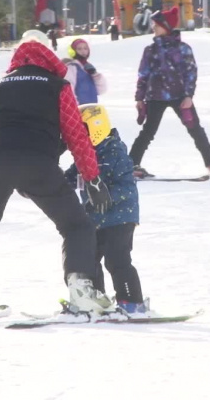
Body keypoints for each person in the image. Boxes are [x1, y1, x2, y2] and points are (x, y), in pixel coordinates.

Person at [0, 41, 114, 319]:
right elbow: (76, 135)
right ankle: (82, 293)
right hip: (37, 161)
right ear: (48, 61)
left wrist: (11, 175)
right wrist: (92, 178)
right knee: (76, 226)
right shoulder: (57, 85)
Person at [64, 104, 147, 315]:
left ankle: (132, 302)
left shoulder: (114, 151)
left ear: (96, 126)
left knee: (117, 260)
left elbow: (127, 187)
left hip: (120, 217)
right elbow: (69, 178)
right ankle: (97, 299)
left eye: (83, 130)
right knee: (89, 260)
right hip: (95, 218)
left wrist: (107, 197)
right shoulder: (85, 154)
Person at [130, 7, 210, 179]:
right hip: (155, 96)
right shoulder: (150, 50)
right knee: (148, 131)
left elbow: (191, 73)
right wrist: (139, 98)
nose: (153, 27)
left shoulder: (183, 49)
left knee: (195, 129)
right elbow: (143, 75)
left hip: (180, 96)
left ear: (167, 27)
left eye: (156, 24)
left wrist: (188, 96)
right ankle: (132, 164)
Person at [64, 39, 107, 105]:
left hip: (92, 107)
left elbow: (101, 90)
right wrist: (74, 106)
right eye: (79, 49)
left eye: (85, 48)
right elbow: (69, 88)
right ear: (73, 51)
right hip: (78, 108)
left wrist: (96, 75)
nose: (83, 51)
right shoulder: (72, 67)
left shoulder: (89, 67)